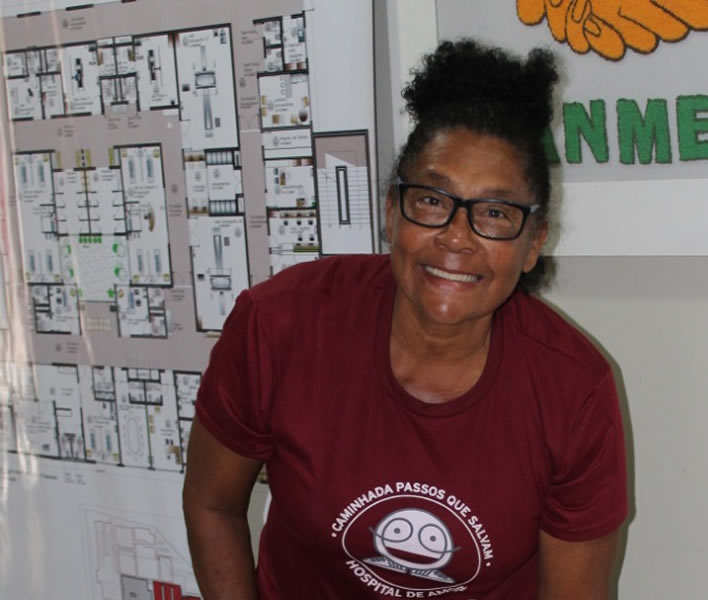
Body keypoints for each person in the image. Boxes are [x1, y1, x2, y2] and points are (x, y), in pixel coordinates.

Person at [183, 39, 628, 599]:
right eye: (433, 201)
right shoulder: (280, 326)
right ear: (393, 211)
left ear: (533, 243)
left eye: (495, 213)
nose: (457, 237)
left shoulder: (572, 390)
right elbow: (211, 503)